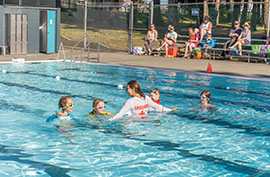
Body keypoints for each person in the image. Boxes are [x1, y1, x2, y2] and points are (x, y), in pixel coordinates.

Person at [107, 80, 177, 121]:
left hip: (135, 124)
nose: (126, 91)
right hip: (142, 123)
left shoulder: (142, 99)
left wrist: (170, 109)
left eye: (127, 88)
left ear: (133, 89)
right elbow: (158, 107)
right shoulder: (142, 99)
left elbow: (158, 107)